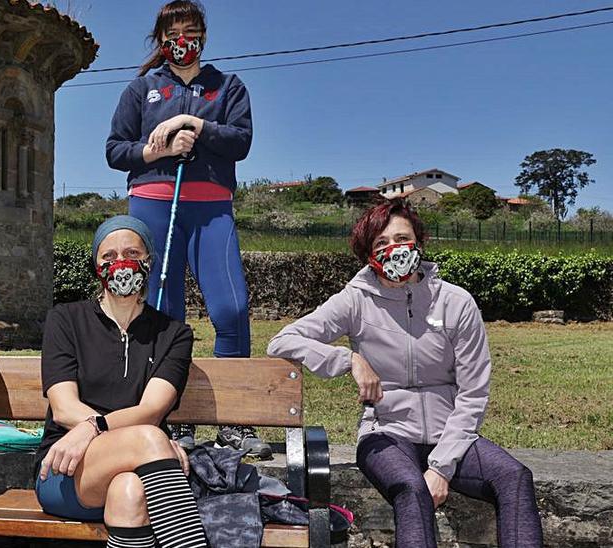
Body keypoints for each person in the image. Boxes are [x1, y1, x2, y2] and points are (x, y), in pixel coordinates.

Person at [267, 199, 542, 547]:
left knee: (515, 477)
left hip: (451, 433)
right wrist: (348, 359)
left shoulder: (456, 302)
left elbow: (473, 392)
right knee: (411, 489)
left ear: (419, 242)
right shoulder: (355, 300)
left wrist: (441, 467)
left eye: (402, 238)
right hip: (386, 433)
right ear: (368, 253)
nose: (393, 249)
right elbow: (283, 340)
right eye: (381, 243)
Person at [105, 0, 265, 455]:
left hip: (212, 209)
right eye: (173, 33)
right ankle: (169, 417)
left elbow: (241, 141)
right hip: (153, 206)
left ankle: (235, 419)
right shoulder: (141, 89)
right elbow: (116, 150)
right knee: (163, 314)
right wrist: (157, 152)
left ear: (203, 36)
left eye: (191, 31)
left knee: (232, 309)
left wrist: (193, 122)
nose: (182, 41)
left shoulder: (227, 86)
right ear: (161, 41)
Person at [35, 215, 208, 548]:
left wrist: (95, 426)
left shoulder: (174, 334)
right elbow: (63, 406)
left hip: (142, 473)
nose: (120, 264)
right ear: (95, 266)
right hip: (66, 465)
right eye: (108, 257)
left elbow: (152, 410)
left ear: (148, 263)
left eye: (131, 254)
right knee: (148, 438)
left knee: (128, 493)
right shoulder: (66, 319)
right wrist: (148, 445)